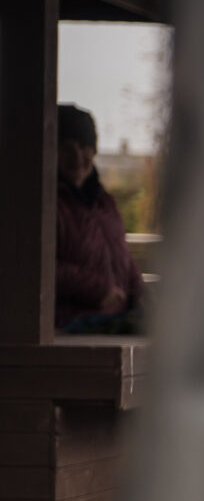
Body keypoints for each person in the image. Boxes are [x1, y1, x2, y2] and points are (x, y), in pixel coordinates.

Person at [55, 105, 146, 334]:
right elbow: (42, 267)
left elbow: (123, 256)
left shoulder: (105, 202)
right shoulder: (45, 205)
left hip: (116, 319)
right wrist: (98, 290)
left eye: (84, 147)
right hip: (72, 325)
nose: (77, 156)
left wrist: (140, 292)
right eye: (67, 148)